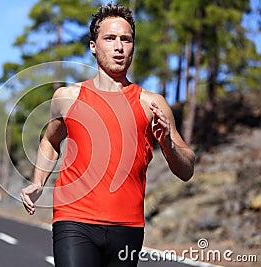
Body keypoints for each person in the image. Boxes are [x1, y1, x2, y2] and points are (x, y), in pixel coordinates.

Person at [20, 3, 195, 267]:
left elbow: (187, 169)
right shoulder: (67, 97)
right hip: (74, 219)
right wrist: (38, 181)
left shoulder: (151, 104)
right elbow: (50, 140)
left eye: (126, 39)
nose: (119, 46)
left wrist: (168, 143)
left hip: (128, 226)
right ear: (93, 46)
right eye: (110, 38)